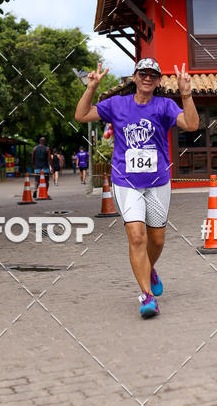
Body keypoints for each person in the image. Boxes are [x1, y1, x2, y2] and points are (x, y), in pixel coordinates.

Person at [75, 58, 198, 319]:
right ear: (134, 76)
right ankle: (146, 296)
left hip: (158, 183)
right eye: (143, 73)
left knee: (157, 239)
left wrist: (186, 95)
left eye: (154, 75)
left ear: (158, 81)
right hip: (126, 182)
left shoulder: (164, 105)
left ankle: (149, 269)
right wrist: (91, 89)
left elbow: (192, 124)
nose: (148, 78)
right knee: (137, 237)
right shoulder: (117, 105)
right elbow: (81, 115)